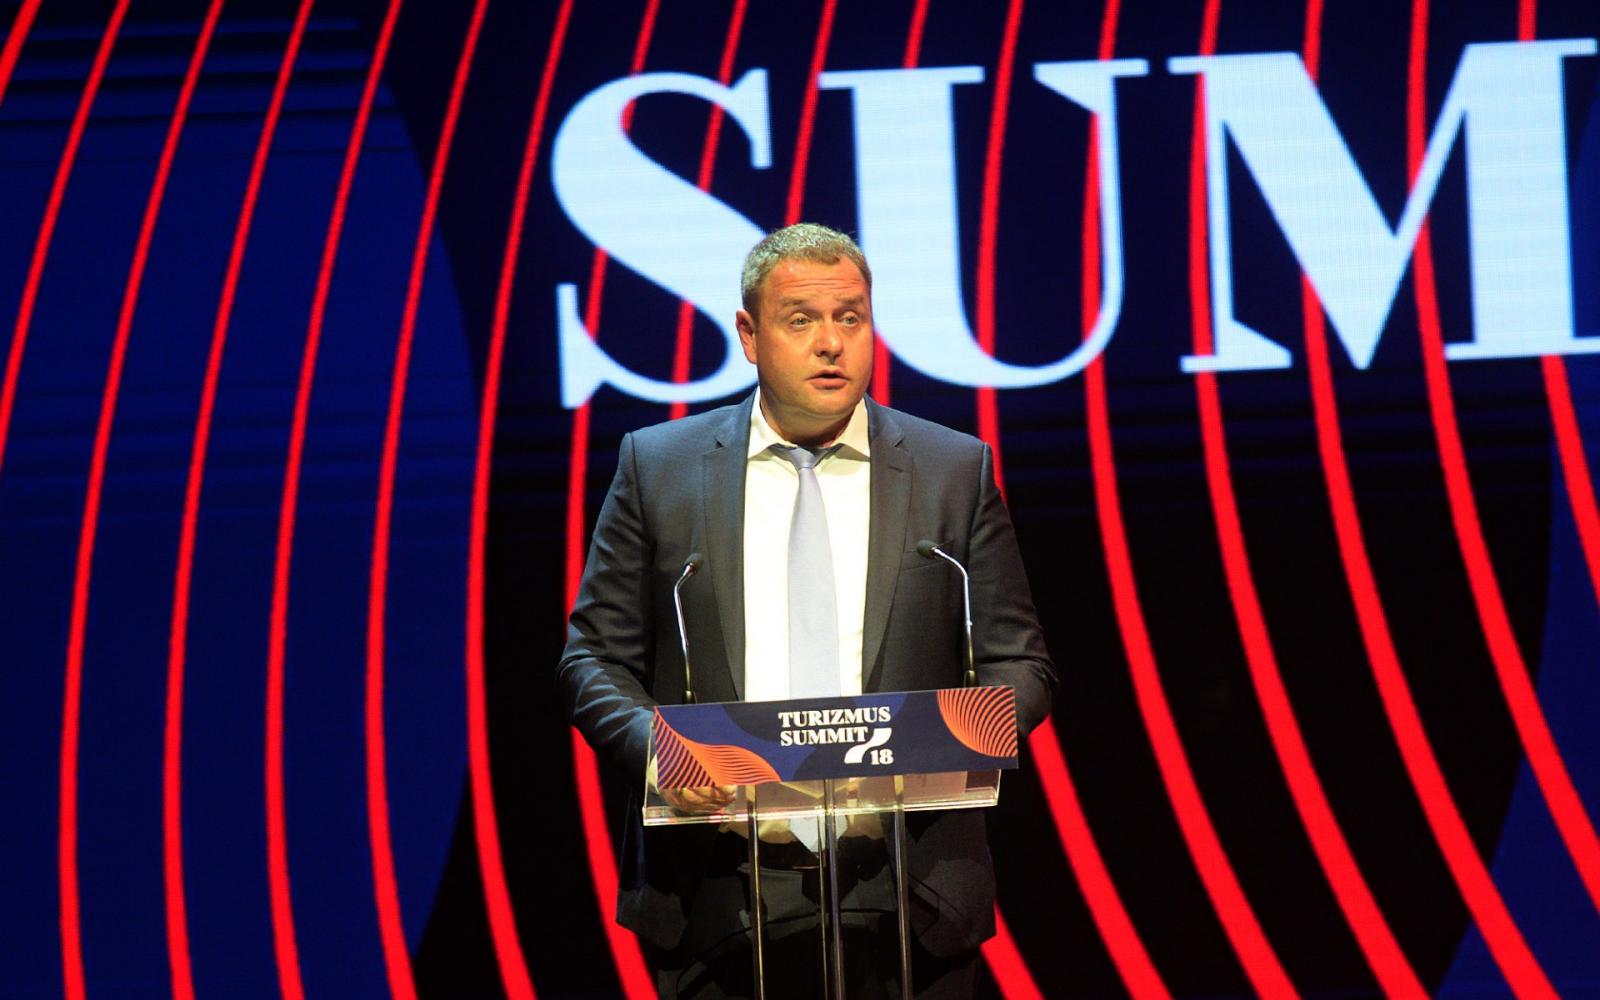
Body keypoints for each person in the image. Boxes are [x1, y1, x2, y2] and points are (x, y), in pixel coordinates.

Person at [557, 223, 1055, 998]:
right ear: (749, 335)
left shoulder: (953, 470)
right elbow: (593, 659)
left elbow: (1020, 664)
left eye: (850, 318)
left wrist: (952, 740)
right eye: (801, 320)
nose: (831, 343)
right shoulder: (660, 469)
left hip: (908, 882)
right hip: (720, 884)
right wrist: (661, 752)